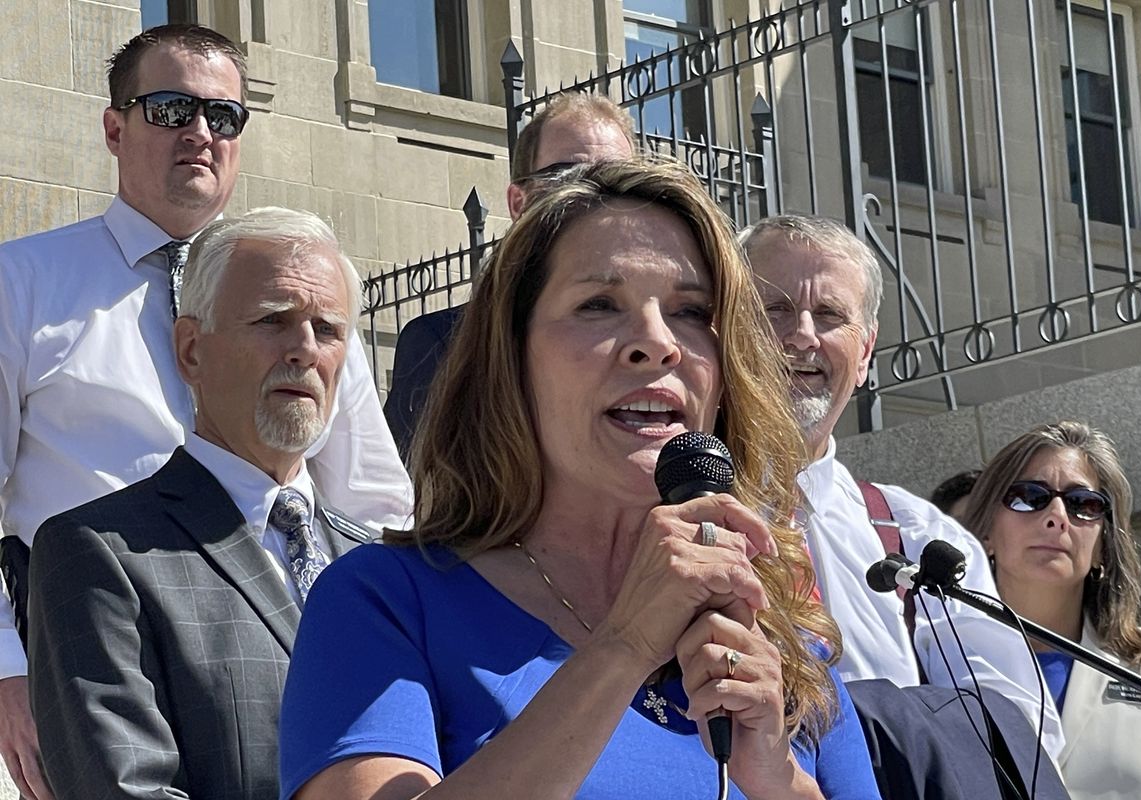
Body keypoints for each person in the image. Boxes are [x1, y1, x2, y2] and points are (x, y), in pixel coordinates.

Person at [279, 158, 881, 799]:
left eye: (690, 311)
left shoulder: (782, 640)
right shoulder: (387, 601)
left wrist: (778, 777)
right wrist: (622, 647)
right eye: (598, 305)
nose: (656, 343)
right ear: (512, 360)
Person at [0, 24, 410, 796]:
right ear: (114, 128)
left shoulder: (305, 305)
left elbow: (375, 502)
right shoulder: (20, 285)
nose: (199, 133)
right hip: (85, 674)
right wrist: (10, 676)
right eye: (170, 108)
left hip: (285, 662)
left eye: (223, 117)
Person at [27, 207, 376, 800]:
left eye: (329, 329)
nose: (304, 350)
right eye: (273, 320)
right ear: (191, 350)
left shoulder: (377, 567)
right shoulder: (98, 556)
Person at [740, 214, 1065, 756]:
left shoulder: (921, 538)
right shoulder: (664, 510)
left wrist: (867, 724)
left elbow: (1023, 738)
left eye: (829, 315)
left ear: (865, 352)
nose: (801, 334)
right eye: (773, 309)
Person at [382, 91, 636, 459]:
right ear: (520, 203)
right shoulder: (444, 345)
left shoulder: (674, 342)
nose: (598, 196)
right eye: (570, 178)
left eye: (619, 179)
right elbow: (418, 497)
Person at [961, 420, 1141, 799]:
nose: (1056, 515)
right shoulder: (939, 657)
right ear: (987, 532)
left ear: (1104, 545)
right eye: (1028, 496)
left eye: (1084, 504)